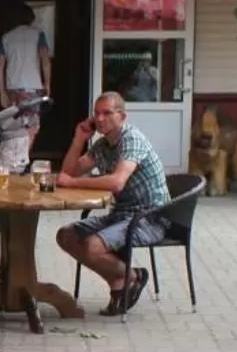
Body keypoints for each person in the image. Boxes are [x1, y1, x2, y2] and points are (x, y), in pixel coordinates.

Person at [54, 93, 168, 317]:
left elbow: (116, 182)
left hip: (149, 217)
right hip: (122, 214)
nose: (100, 118)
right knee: (66, 236)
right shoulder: (103, 144)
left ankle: (133, 276)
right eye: (97, 113)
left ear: (122, 116)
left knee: (93, 247)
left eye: (107, 113)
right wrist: (79, 139)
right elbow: (68, 173)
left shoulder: (131, 139)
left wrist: (74, 182)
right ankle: (122, 278)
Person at [0, 5, 52, 112]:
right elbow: (45, 61)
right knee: (31, 123)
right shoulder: (38, 34)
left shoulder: (6, 37)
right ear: (31, 18)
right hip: (33, 85)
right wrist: (47, 84)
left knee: (15, 122)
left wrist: (2, 92)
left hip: (13, 87)